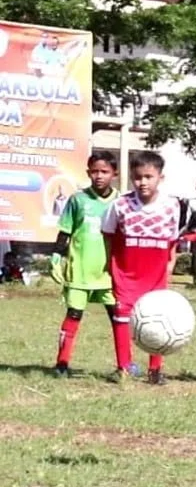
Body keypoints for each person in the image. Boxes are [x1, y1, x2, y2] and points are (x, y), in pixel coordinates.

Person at [100, 151, 182, 385]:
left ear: (160, 178)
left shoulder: (171, 206)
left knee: (157, 320)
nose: (143, 182)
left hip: (155, 275)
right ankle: (124, 366)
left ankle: (155, 370)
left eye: (148, 177)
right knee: (122, 317)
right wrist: (110, 264)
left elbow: (172, 240)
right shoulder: (120, 205)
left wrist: (171, 264)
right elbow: (108, 236)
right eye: (138, 177)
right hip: (126, 273)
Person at [53, 151, 128, 378]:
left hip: (109, 274)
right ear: (88, 173)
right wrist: (56, 256)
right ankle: (62, 364)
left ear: (114, 174)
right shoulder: (78, 200)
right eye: (94, 171)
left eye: (104, 171)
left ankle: (124, 366)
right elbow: (65, 230)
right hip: (80, 271)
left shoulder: (121, 202)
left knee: (118, 317)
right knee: (74, 314)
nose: (99, 176)